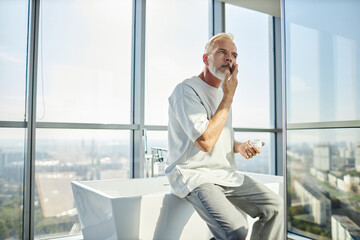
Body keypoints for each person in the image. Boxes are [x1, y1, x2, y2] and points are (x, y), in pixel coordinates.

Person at [165, 33, 284, 240]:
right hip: (195, 176)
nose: (230, 58)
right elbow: (205, 141)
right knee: (236, 229)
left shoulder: (222, 94)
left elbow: (220, 136)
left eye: (234, 55)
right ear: (205, 59)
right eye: (222, 52)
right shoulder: (187, 91)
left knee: (276, 207)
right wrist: (229, 96)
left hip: (225, 174)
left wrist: (239, 147)